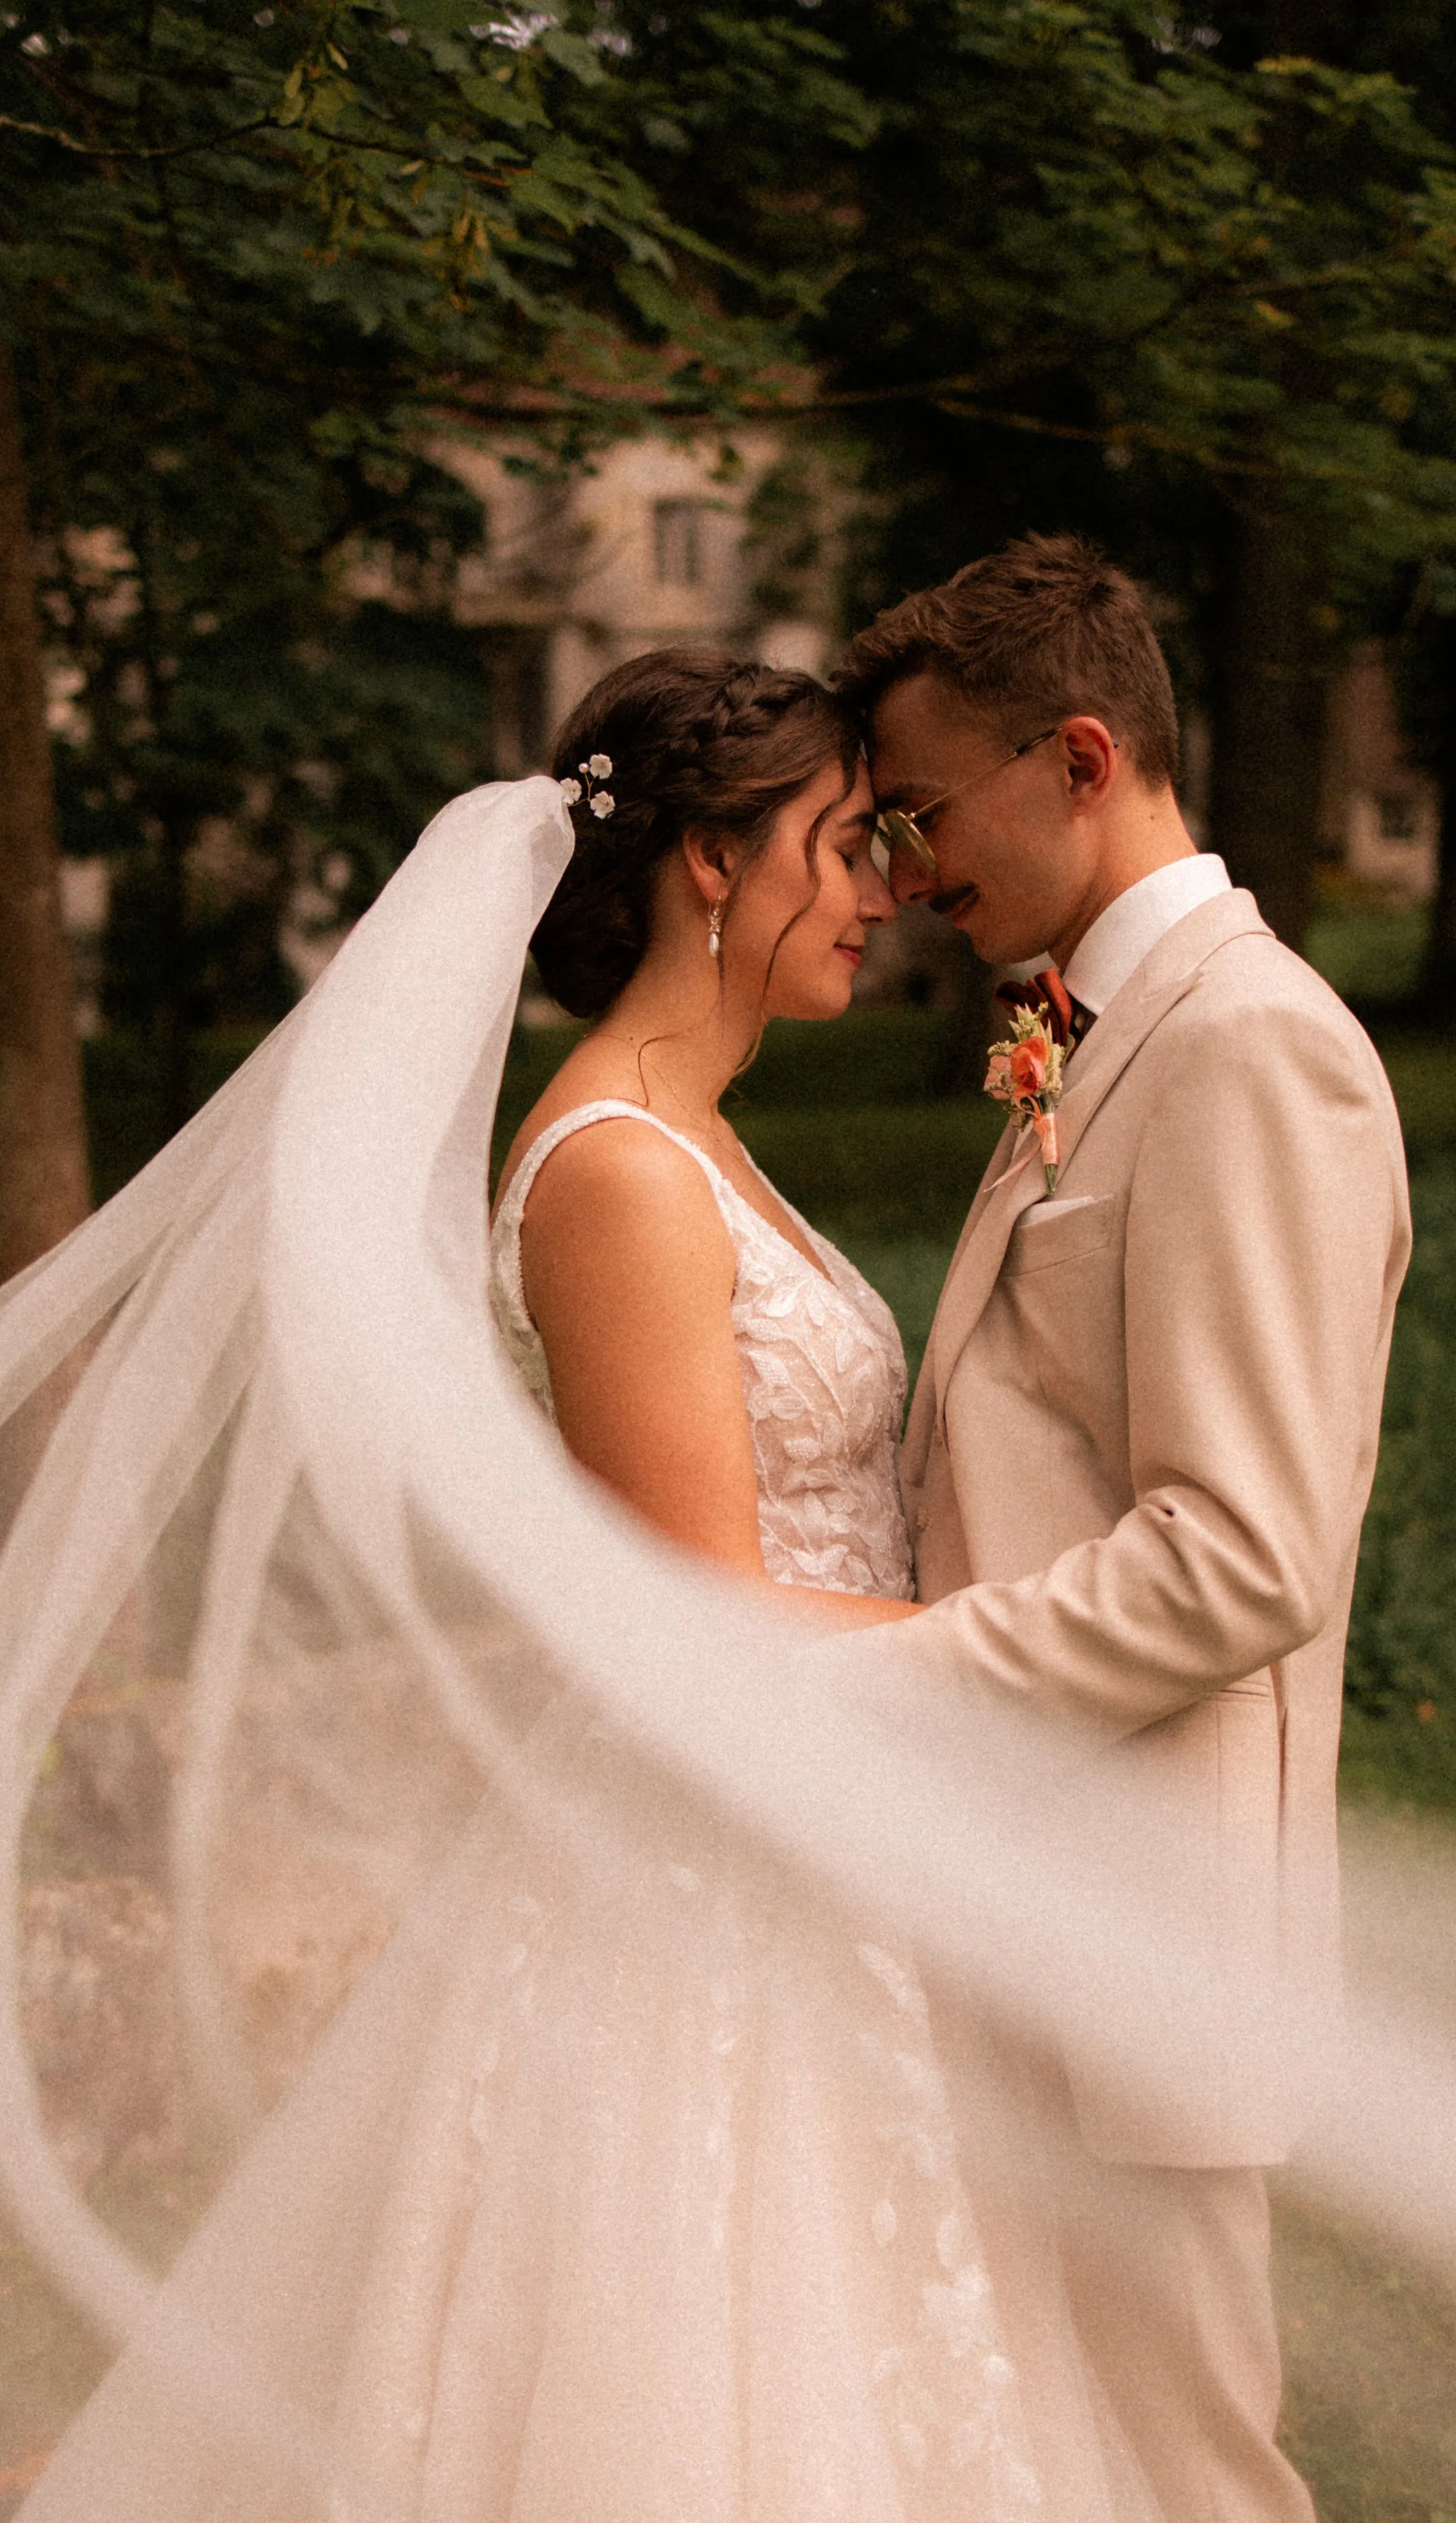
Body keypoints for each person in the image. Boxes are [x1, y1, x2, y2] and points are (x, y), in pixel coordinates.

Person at [5, 651, 1165, 2523]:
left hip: (826, 1838)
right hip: (713, 1886)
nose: (878, 889)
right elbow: (699, 1615)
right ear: (712, 861)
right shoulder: (616, 1173)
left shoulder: (695, 1140)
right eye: (837, 844)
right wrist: (1064, 1652)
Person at [836, 532, 1413, 2523]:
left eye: (919, 810)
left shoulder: (1249, 1046)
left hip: (1141, 1940)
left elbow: (1247, 1551)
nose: (901, 866)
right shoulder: (1085, 1034)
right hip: (1015, 1900)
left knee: (1176, 2477)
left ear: (1079, 757)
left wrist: (873, 1684)